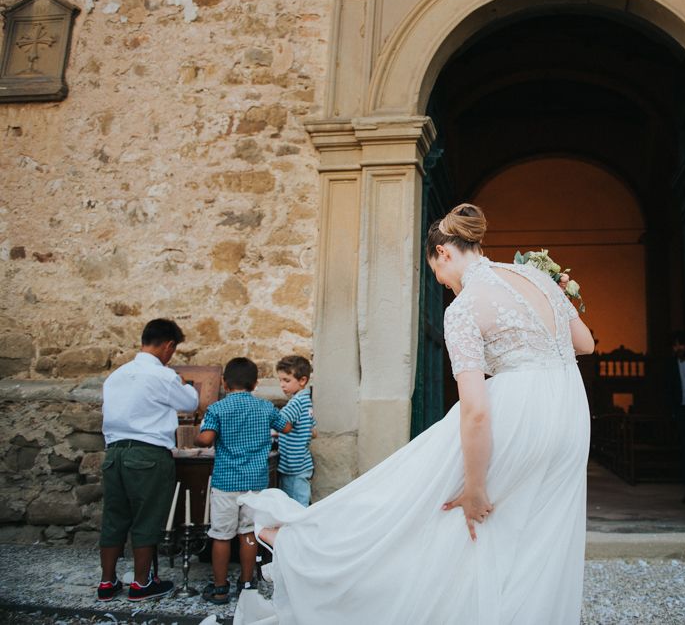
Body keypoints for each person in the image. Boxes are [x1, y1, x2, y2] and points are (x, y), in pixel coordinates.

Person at [237, 203, 595, 625]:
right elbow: (585, 343)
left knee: (421, 489)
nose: (444, 284)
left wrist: (475, 487)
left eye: (438, 274)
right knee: (538, 537)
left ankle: (312, 549)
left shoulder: (463, 308)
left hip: (516, 415)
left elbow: (477, 411)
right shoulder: (537, 276)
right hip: (570, 416)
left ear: (444, 252)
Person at [98, 318, 198, 602]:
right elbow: (190, 402)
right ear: (168, 345)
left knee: (114, 518)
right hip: (147, 453)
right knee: (147, 517)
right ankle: (141, 583)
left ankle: (107, 582)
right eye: (173, 350)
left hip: (114, 452)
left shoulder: (116, 375)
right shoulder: (163, 375)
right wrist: (182, 382)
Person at [194, 357, 293, 605]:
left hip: (226, 481)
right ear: (255, 383)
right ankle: (247, 583)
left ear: (225, 384)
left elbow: (206, 440)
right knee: (248, 532)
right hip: (256, 481)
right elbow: (287, 427)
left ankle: (219, 587)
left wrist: (198, 438)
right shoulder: (265, 407)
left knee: (221, 535)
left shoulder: (217, 409)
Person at [275, 355, 317, 506]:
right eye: (280, 380)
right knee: (301, 500)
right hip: (302, 462)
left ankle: (300, 528)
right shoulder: (307, 400)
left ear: (302, 380)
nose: (282, 385)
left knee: (294, 505)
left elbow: (278, 422)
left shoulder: (296, 403)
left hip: (292, 465)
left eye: (286, 380)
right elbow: (314, 431)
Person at [668, 330, 685, 501]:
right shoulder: (671, 365)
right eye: (675, 345)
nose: (677, 348)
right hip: (683, 410)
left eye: (680, 344)